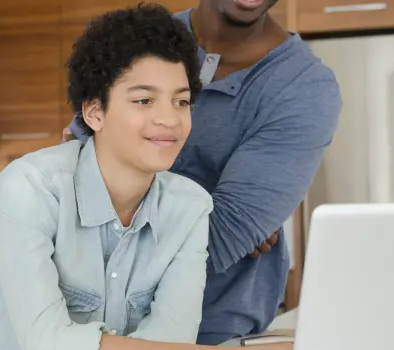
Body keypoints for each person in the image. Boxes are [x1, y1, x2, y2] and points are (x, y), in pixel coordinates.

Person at [0, 4, 293, 350]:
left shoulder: (191, 206)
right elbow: (49, 342)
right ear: (94, 112)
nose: (169, 119)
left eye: (181, 101)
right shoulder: (32, 186)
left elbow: (171, 339)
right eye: (143, 101)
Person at [65, 0, 342, 345]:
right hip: (86, 325)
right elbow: (76, 166)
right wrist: (199, 215)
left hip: (211, 334)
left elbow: (223, 235)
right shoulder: (141, 36)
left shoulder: (304, 87)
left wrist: (114, 210)